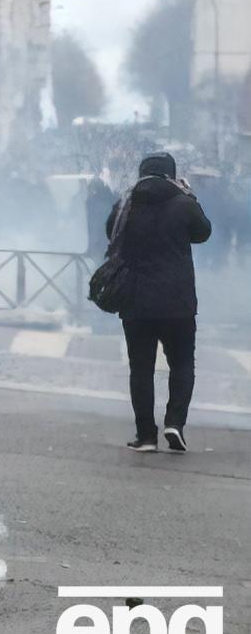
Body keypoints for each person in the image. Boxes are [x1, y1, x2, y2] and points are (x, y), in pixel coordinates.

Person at [107, 152, 212, 453]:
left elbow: (109, 233)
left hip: (136, 301)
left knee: (141, 368)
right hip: (177, 302)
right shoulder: (183, 203)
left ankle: (145, 436)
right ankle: (174, 423)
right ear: (170, 175)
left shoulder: (126, 202)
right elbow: (203, 232)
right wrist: (190, 195)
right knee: (181, 363)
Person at [85, 177, 116, 259]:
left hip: (98, 242)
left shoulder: (93, 204)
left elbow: (94, 226)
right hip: (107, 241)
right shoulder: (111, 199)